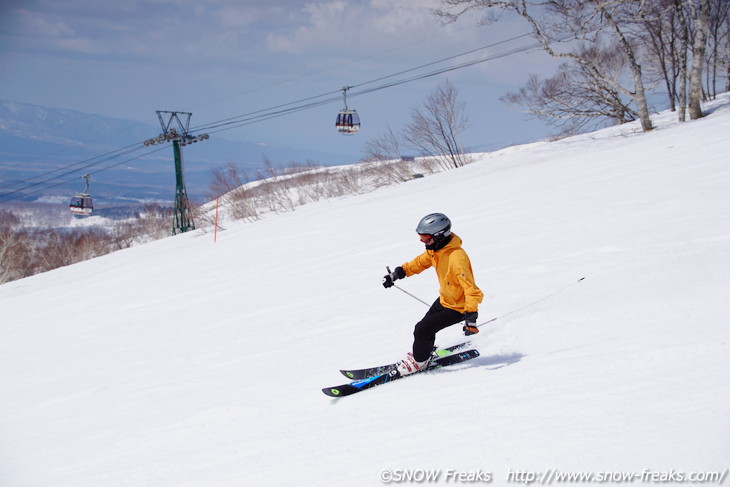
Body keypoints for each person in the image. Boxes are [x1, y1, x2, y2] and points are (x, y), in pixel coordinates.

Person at [382, 213, 483, 376]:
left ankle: (419, 362)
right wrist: (397, 274)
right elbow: (420, 262)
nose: (422, 241)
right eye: (421, 237)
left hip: (458, 307)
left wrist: (471, 316)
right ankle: (423, 354)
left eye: (425, 238)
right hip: (445, 300)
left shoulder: (456, 258)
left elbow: (470, 288)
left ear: (439, 236)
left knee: (422, 329)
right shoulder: (437, 250)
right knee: (424, 328)